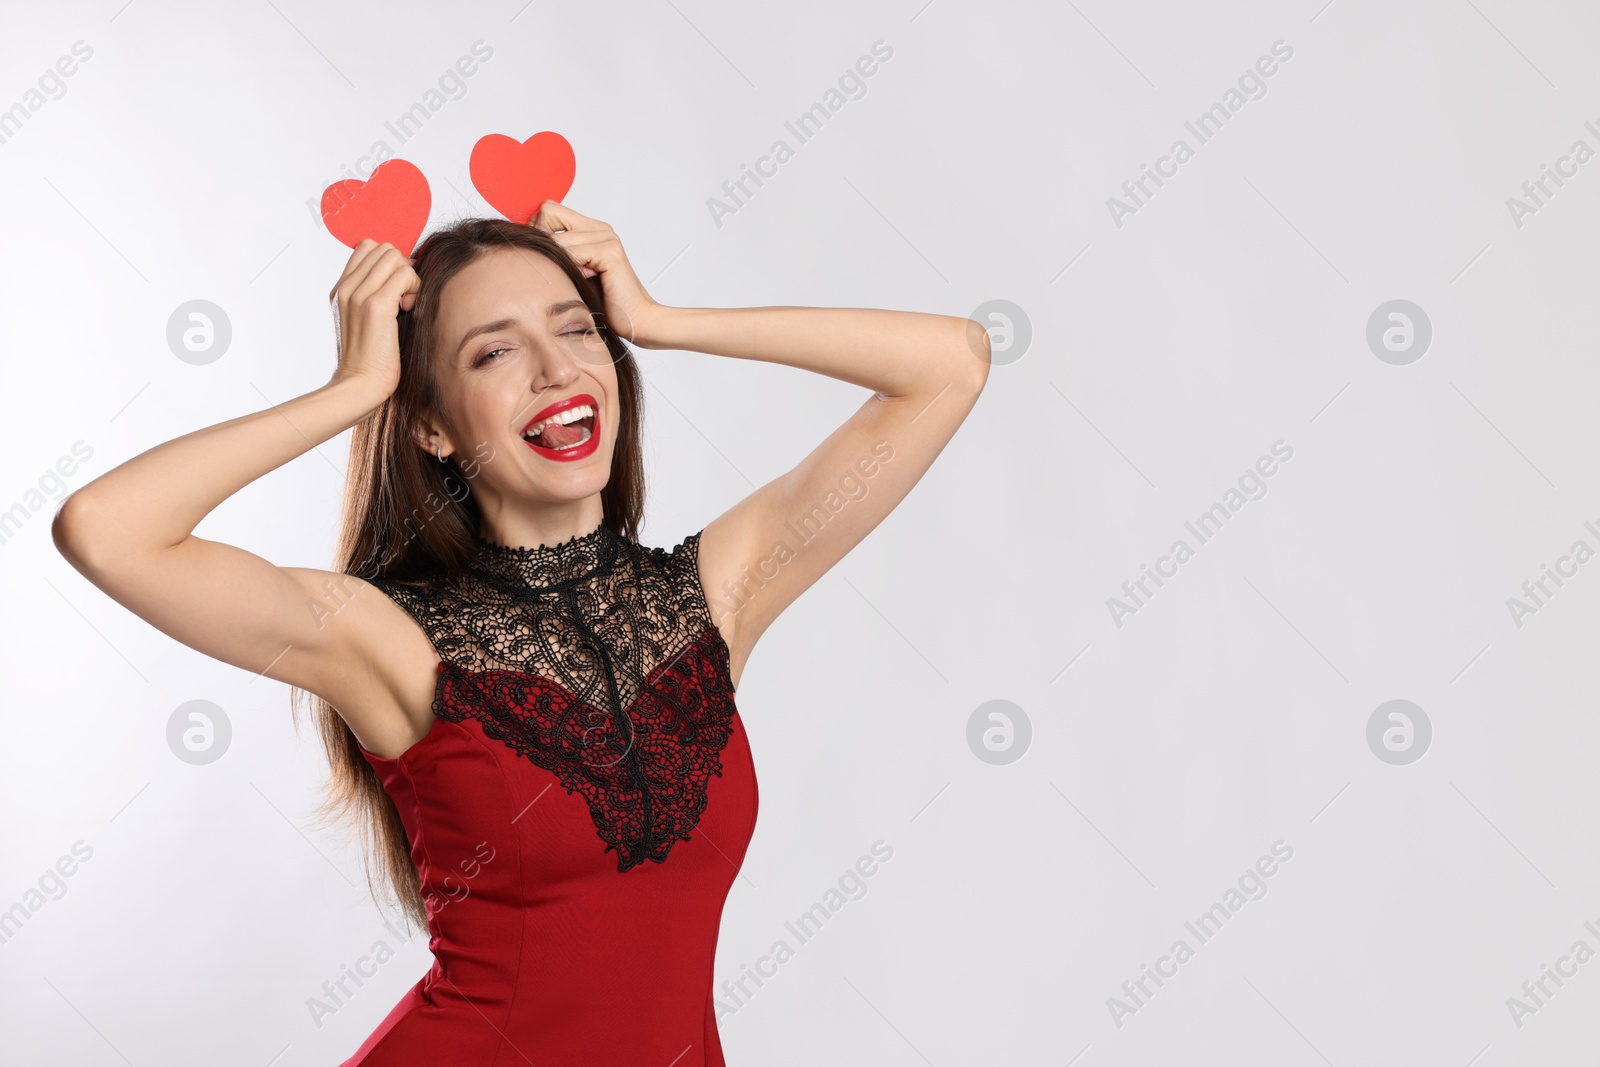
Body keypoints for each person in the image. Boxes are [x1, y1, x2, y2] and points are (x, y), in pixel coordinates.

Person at [51, 200, 991, 1065]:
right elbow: (108, 529)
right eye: (493, 353)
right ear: (431, 426)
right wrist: (356, 388)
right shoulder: (385, 639)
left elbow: (952, 363)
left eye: (576, 329)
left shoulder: (711, 598)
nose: (556, 371)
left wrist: (662, 322)